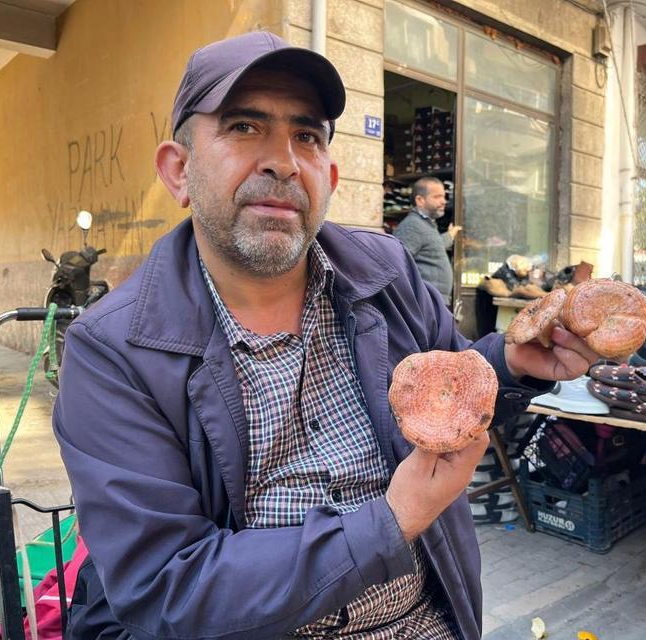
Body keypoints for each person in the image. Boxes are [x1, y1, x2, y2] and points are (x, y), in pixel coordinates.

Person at [53, 31, 599, 639]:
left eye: (306, 137)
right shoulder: (114, 349)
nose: (282, 160)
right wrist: (392, 520)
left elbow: (455, 385)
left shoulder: (385, 273)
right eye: (243, 127)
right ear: (178, 170)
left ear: (329, 175)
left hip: (425, 620)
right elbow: (166, 586)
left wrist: (513, 362)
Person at [393, 176, 461, 305]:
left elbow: (432, 247)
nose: (443, 201)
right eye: (437, 197)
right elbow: (396, 264)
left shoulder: (426, 225)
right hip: (424, 303)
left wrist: (450, 235)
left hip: (433, 302)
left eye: (444, 196)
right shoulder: (412, 226)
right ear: (420, 200)